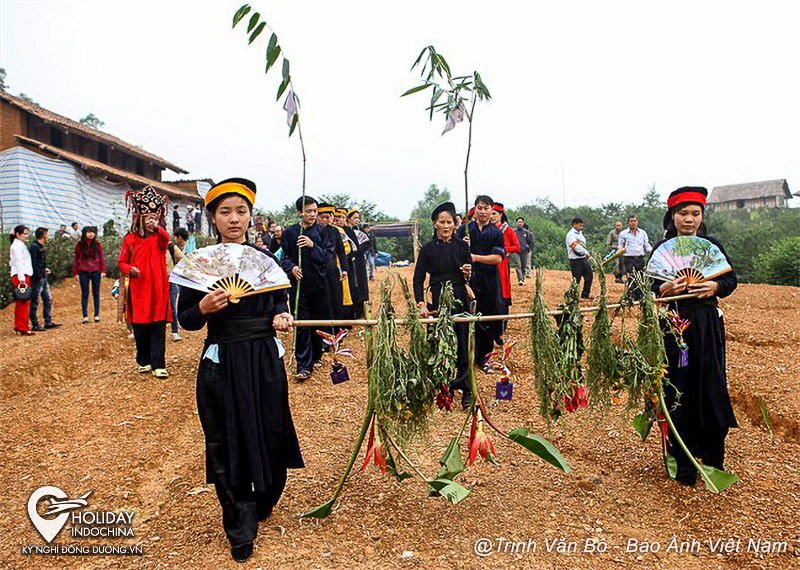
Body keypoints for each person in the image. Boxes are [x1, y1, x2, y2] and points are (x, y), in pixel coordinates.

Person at [177, 178, 301, 562]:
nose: (234, 219)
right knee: (225, 437)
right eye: (225, 212)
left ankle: (264, 497)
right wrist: (203, 308)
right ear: (213, 218)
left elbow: (280, 301)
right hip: (222, 360)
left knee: (270, 427)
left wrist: (282, 315)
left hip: (263, 357)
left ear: (251, 217)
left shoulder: (266, 260)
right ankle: (239, 523)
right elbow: (186, 320)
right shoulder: (202, 265)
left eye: (241, 211)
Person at [651, 186, 737, 487]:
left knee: (711, 385)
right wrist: (664, 289)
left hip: (707, 325)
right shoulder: (662, 249)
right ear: (672, 216)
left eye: (695, 213)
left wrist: (715, 287)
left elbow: (730, 280)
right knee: (677, 388)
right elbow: (647, 288)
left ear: (702, 216)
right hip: (674, 326)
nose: (689, 219)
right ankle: (682, 465)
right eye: (683, 213)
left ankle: (713, 460)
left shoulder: (711, 246)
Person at [414, 202, 473, 408]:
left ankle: (466, 388)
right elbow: (418, 278)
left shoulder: (462, 247)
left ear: (455, 224)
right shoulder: (428, 249)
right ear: (435, 224)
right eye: (442, 222)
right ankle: (444, 388)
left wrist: (467, 274)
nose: (446, 226)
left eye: (449, 222)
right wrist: (421, 303)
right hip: (437, 297)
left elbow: (470, 276)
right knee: (439, 343)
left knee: (463, 342)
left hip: (459, 296)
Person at [118, 186, 172, 378]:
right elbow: (122, 262)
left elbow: (166, 239)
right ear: (139, 218)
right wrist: (129, 269)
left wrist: (157, 228)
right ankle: (144, 360)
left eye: (155, 218)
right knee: (140, 326)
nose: (151, 221)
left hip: (158, 289)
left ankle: (159, 364)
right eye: (148, 218)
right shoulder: (130, 239)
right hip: (139, 289)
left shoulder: (159, 239)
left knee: (158, 326)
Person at [280, 196, 332, 380]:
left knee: (317, 322)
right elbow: (284, 258)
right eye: (308, 211)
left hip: (319, 284)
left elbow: (327, 257)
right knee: (302, 323)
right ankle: (304, 365)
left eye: (315, 211)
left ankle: (317, 355)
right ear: (300, 212)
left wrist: (312, 246)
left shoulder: (323, 232)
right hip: (299, 286)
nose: (312, 214)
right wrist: (292, 268)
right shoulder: (290, 233)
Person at [457, 195, 505, 371]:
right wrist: (463, 246)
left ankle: (484, 358)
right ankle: (465, 357)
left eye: (486, 208)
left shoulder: (496, 233)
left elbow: (498, 258)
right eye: (480, 208)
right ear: (475, 209)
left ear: (492, 210)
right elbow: (455, 252)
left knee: (487, 319)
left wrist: (475, 257)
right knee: (465, 317)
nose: (483, 212)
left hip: (489, 281)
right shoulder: (464, 230)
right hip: (467, 279)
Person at [317, 203, 351, 328]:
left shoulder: (335, 231)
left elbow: (341, 251)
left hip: (332, 269)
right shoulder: (313, 231)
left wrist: (345, 269)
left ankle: (337, 327)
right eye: (322, 217)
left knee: (336, 297)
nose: (325, 220)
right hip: (317, 271)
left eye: (328, 217)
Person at [491, 203, 520, 341]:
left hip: (501, 264)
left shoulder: (507, 230)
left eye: (494, 214)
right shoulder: (488, 228)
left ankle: (500, 329)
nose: (491, 216)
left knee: (502, 291)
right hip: (488, 263)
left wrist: (502, 248)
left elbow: (516, 247)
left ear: (500, 215)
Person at [28, 228, 61, 331]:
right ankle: (35, 324)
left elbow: (39, 262)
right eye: (47, 234)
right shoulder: (34, 247)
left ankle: (48, 321)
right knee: (35, 301)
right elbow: (32, 263)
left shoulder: (40, 246)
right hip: (37, 278)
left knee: (47, 299)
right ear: (43, 235)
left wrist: (44, 270)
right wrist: (38, 274)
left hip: (42, 277)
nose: (48, 236)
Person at [74, 226, 107, 323]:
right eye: (88, 232)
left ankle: (96, 315)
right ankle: (85, 316)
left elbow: (101, 257)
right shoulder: (79, 244)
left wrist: (103, 270)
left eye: (92, 232)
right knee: (85, 294)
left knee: (96, 293)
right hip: (83, 271)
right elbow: (76, 259)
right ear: (84, 233)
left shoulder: (97, 244)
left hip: (96, 271)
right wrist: (76, 272)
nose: (91, 234)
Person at [9, 225, 34, 335]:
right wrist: (21, 278)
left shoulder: (20, 245)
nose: (26, 236)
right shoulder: (17, 246)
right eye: (24, 233)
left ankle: (20, 325)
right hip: (21, 275)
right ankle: (23, 326)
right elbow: (18, 262)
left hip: (22, 275)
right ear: (18, 234)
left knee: (21, 302)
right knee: (23, 302)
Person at [619, 214, 652, 298]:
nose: (633, 223)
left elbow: (646, 245)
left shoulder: (643, 233)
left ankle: (640, 296)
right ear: (628, 222)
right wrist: (620, 251)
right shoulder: (623, 234)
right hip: (629, 259)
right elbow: (620, 246)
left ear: (637, 222)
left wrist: (652, 251)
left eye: (635, 221)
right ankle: (631, 296)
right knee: (631, 277)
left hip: (640, 258)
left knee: (641, 277)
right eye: (631, 221)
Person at [347, 209, 370, 319]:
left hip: (359, 261)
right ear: (348, 218)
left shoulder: (360, 231)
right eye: (354, 218)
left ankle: (360, 312)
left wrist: (358, 250)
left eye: (358, 218)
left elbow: (366, 244)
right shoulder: (344, 231)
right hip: (348, 261)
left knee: (360, 284)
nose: (357, 220)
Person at [167, 228, 188, 341]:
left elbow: (184, 260)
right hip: (157, 282)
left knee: (172, 307)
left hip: (170, 281)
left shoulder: (171, 248)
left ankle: (174, 331)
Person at [565, 217, 593, 299]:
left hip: (583, 258)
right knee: (576, 279)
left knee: (589, 276)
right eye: (580, 225)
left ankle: (585, 294)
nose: (581, 227)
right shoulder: (571, 235)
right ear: (575, 225)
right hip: (575, 260)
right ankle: (573, 296)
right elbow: (575, 246)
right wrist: (585, 252)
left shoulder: (580, 234)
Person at [512, 217, 534, 285]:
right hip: (516, 251)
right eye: (518, 222)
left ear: (523, 223)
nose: (520, 223)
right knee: (518, 265)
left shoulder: (527, 233)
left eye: (521, 222)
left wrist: (529, 249)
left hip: (524, 251)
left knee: (523, 266)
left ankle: (522, 279)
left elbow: (531, 242)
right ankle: (520, 279)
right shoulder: (513, 232)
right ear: (516, 223)